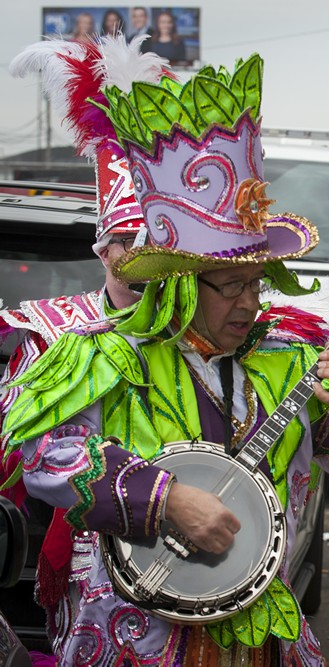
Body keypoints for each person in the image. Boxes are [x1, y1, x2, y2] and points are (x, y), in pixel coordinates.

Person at [1, 52, 329, 664]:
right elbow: (48, 458)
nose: (249, 302)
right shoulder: (100, 355)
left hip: (262, 631)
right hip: (136, 630)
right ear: (182, 283)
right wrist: (165, 499)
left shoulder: (289, 359)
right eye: (230, 286)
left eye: (256, 283)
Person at [1, 36, 171, 656]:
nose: (139, 252)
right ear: (103, 248)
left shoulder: (204, 328)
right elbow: (27, 446)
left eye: (152, 237)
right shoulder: (54, 330)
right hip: (93, 575)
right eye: (125, 239)